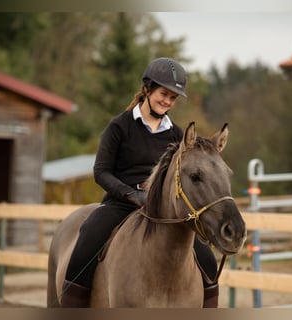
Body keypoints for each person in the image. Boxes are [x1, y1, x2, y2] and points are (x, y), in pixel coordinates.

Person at [61, 57, 219, 308]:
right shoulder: (119, 126)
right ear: (147, 88)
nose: (167, 101)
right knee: (88, 238)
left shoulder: (178, 135)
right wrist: (129, 195)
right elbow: (101, 172)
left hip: (163, 209)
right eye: (163, 94)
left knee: (207, 259)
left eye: (173, 98)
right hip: (121, 203)